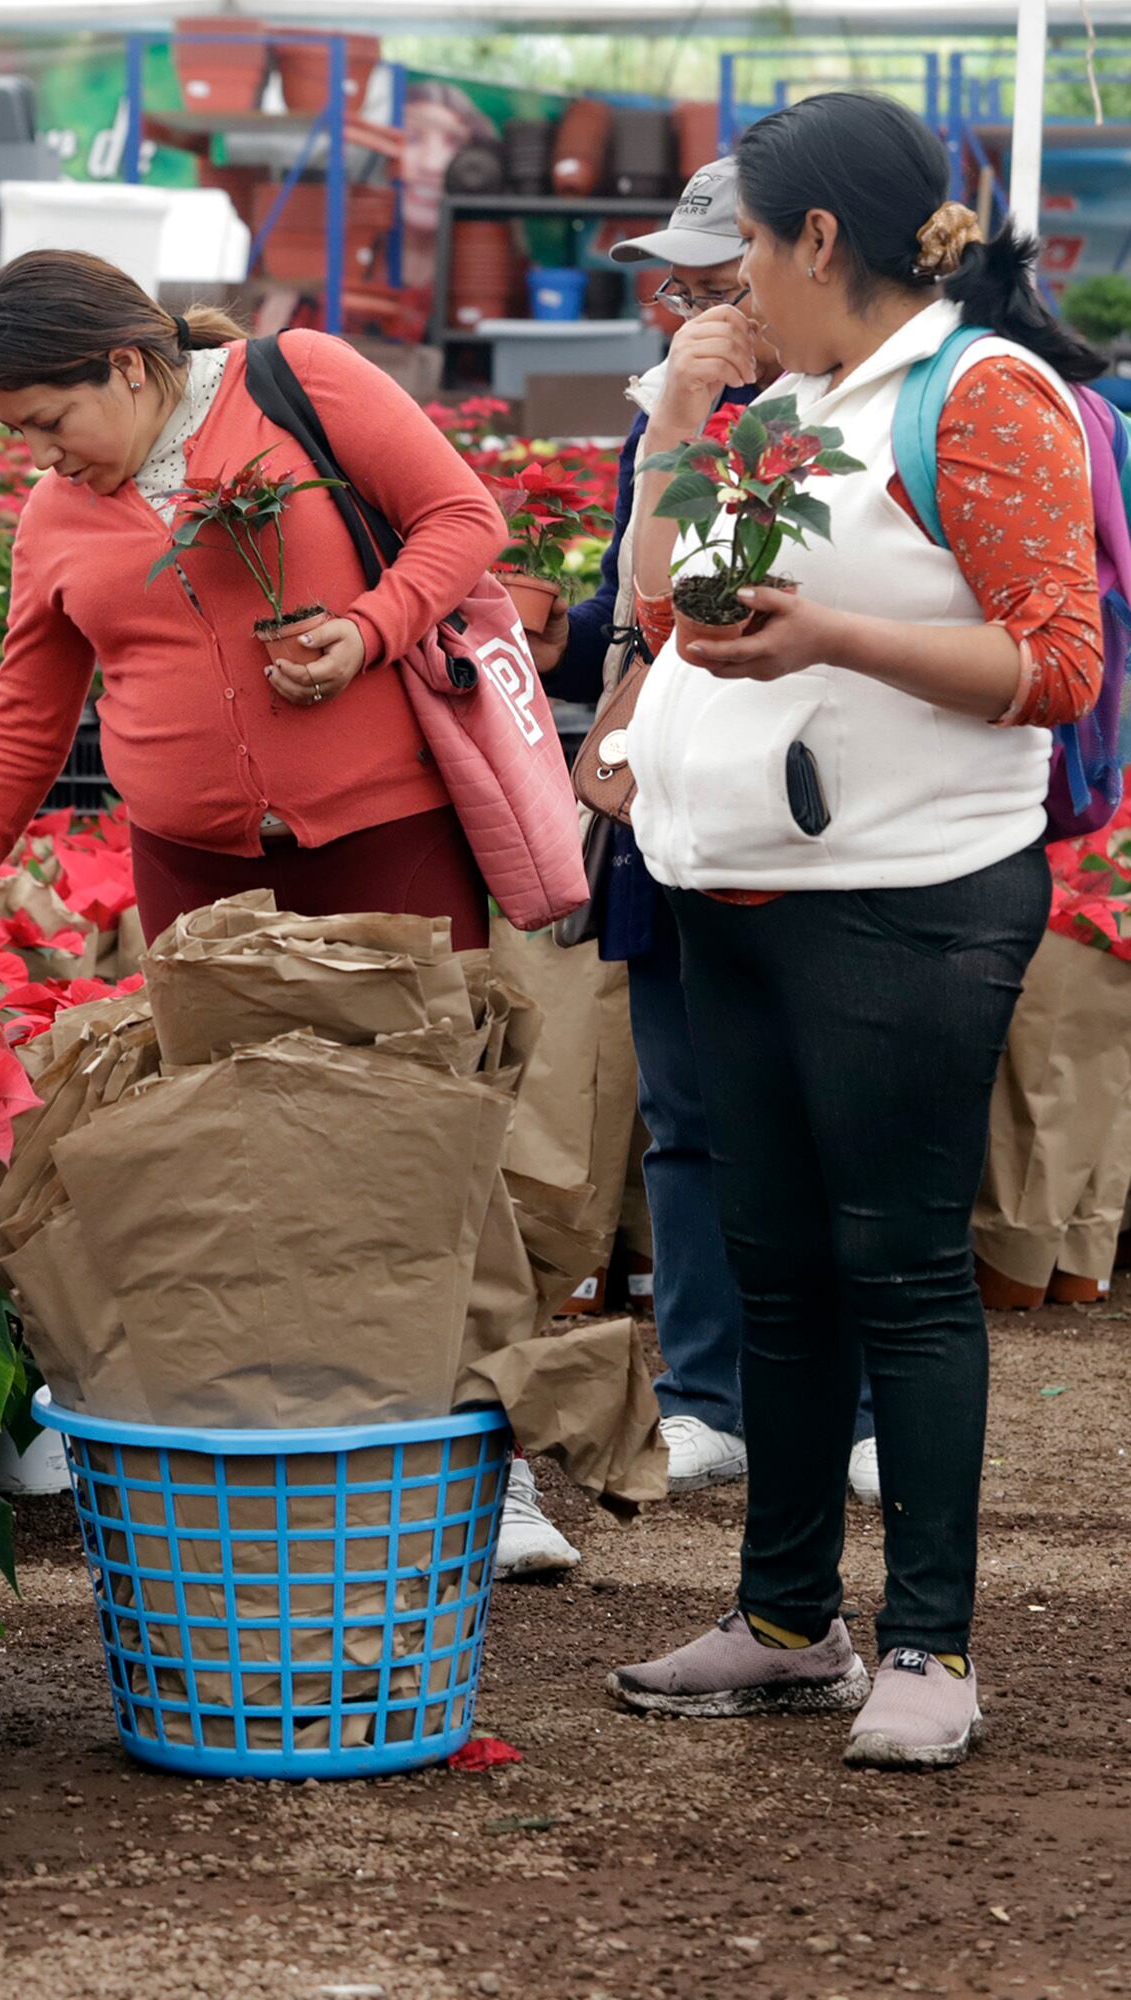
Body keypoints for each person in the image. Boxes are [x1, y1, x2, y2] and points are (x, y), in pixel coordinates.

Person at [0, 250, 582, 1576]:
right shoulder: (54, 519)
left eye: (48, 421)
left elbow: (461, 520)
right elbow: (25, 719)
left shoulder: (299, 381)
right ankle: (298, 1452)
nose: (41, 454)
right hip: (199, 878)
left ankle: (494, 1465)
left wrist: (371, 629)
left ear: (130, 369)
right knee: (240, 1163)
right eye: (16, 434)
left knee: (437, 1149)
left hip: (389, 847)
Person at [606, 91, 1106, 1770]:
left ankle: (935, 1647)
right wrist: (686, 408)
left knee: (898, 1271)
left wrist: (828, 633)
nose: (726, 279)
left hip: (906, 901)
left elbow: (1058, 663)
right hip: (738, 889)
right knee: (780, 1274)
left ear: (819, 240)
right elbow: (663, 591)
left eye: (745, 243)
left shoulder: (984, 394)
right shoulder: (795, 398)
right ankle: (782, 1620)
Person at [549, 158, 883, 1509]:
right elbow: (651, 605)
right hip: (680, 802)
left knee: (831, 1117)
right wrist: (546, 628)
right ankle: (704, 1394)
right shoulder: (673, 414)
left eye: (710, 275)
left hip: (825, 807)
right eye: (670, 281)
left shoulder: (863, 415)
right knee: (686, 1118)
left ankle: (854, 1405)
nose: (683, 302)